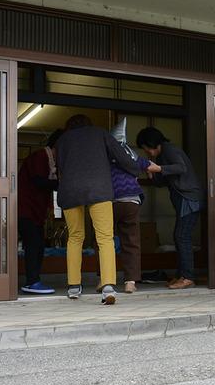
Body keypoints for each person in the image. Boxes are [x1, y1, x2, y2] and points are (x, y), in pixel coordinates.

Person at [57, 114, 153, 305]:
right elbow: (121, 157)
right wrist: (138, 168)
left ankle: (74, 286)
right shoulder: (100, 134)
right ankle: (108, 286)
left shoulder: (62, 140)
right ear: (88, 124)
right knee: (105, 237)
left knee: (75, 237)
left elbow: (60, 166)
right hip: (99, 189)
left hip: (70, 191)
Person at [136, 127, 203, 290]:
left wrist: (158, 169)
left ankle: (187, 277)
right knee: (179, 236)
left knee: (182, 236)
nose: (147, 152)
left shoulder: (170, 150)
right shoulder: (162, 155)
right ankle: (182, 275)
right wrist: (151, 174)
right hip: (184, 199)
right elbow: (162, 182)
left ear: (152, 143)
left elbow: (181, 168)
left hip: (190, 198)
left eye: (146, 148)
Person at [18, 129, 64, 294]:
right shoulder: (40, 157)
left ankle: (33, 281)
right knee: (34, 246)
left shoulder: (49, 161)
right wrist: (62, 184)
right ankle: (32, 282)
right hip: (26, 209)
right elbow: (38, 182)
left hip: (35, 212)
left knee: (37, 246)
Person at [110, 119, 152, 294]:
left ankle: (105, 281)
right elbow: (151, 165)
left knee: (104, 241)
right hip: (131, 201)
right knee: (131, 242)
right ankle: (130, 282)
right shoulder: (131, 153)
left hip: (109, 201)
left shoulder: (104, 153)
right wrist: (152, 169)